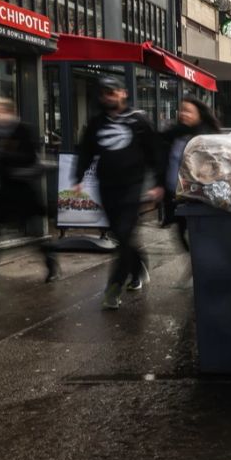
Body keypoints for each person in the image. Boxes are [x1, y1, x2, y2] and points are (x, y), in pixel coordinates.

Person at [73, 77, 164, 310]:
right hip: (107, 188)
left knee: (124, 233)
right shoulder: (96, 124)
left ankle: (114, 286)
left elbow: (155, 153)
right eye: (105, 93)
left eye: (113, 92)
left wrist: (159, 184)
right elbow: (86, 151)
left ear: (123, 93)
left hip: (133, 187)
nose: (109, 97)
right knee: (120, 235)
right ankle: (138, 266)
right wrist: (77, 178)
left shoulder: (138, 121)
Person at [0, 97, 60, 296]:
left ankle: (51, 261)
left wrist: (6, 157)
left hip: (23, 192)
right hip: (3, 193)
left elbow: (28, 157)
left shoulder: (22, 130)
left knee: (32, 236)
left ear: (7, 111)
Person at [160, 96, 221, 250]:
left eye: (188, 111)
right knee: (185, 241)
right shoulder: (175, 134)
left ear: (199, 114)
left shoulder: (207, 137)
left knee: (197, 242)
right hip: (176, 197)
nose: (183, 114)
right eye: (182, 111)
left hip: (197, 198)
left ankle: (200, 268)